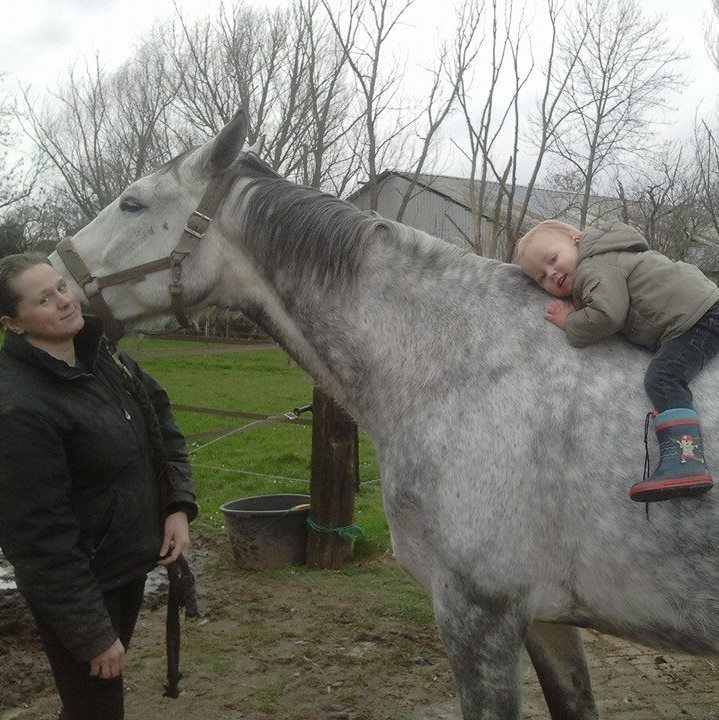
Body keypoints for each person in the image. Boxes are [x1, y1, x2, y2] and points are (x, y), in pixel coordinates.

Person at [0, 252, 198, 720]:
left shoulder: (100, 354)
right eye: (43, 299)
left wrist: (175, 504)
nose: (64, 302)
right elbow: (38, 540)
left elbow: (158, 418)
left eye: (61, 287)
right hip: (82, 585)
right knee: (95, 711)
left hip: (125, 564)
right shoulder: (18, 409)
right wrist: (90, 632)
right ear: (12, 323)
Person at [516, 219, 719, 503]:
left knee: (663, 376)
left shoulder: (593, 267)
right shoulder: (604, 258)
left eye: (553, 259)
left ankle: (687, 460)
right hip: (696, 310)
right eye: (541, 277)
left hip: (698, 319)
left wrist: (569, 321)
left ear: (576, 241)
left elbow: (608, 316)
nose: (552, 274)